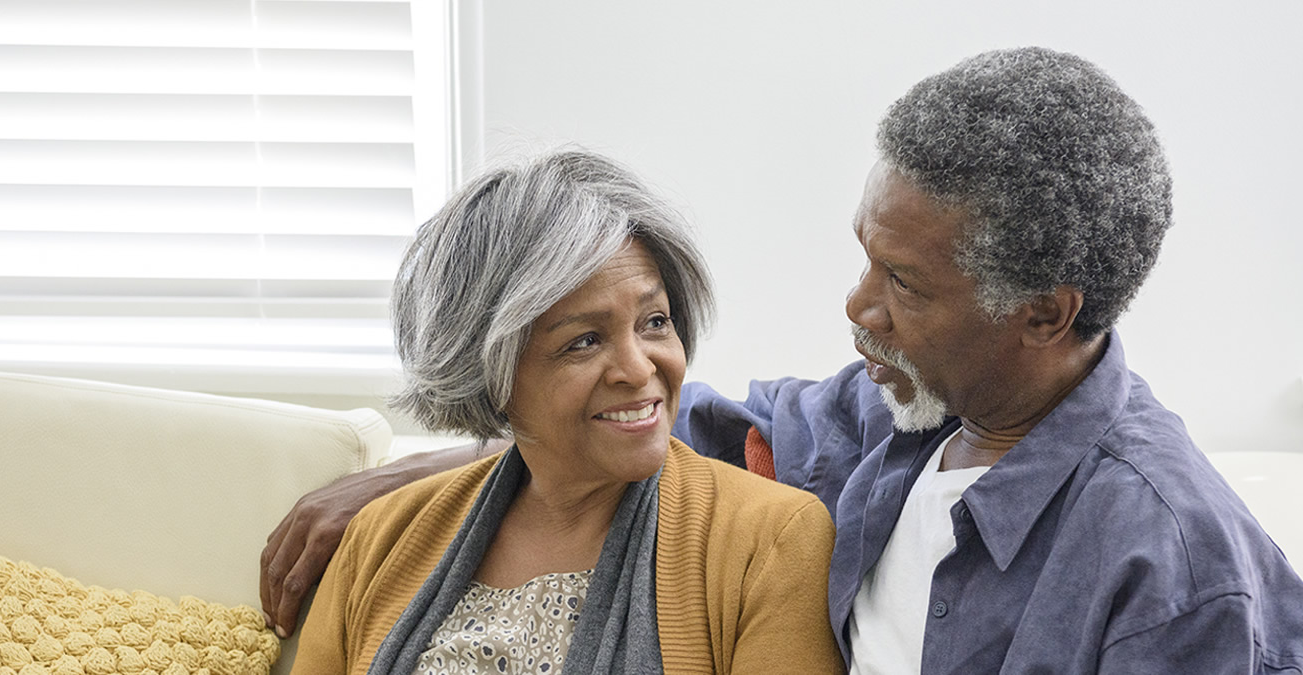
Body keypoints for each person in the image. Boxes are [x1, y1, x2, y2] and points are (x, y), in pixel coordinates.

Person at [264, 48, 1303, 672]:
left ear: (1042, 315)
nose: (858, 310)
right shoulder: (896, 418)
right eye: (866, 258)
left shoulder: (1173, 565)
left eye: (905, 285)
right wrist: (435, 466)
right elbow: (661, 419)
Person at [288, 149, 842, 675]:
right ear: (492, 373)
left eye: (654, 321)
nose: (637, 367)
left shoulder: (771, 540)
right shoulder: (381, 538)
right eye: (585, 341)